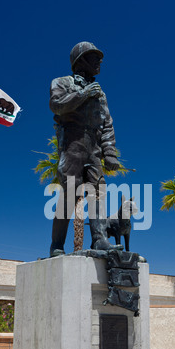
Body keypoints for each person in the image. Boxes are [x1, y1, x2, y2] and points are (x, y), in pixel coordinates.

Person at [49, 41, 123, 257]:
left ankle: (100, 239)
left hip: (94, 149)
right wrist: (83, 94)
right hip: (72, 146)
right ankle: (57, 245)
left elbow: (107, 123)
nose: (100, 62)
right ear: (81, 60)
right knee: (69, 196)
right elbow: (57, 105)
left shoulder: (100, 93)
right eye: (94, 58)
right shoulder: (61, 82)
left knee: (98, 194)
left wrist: (109, 152)